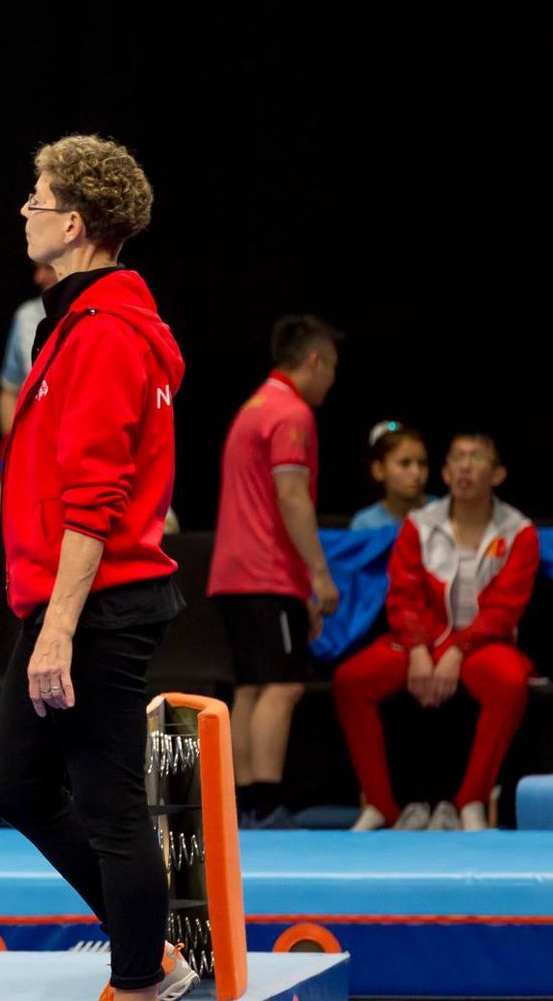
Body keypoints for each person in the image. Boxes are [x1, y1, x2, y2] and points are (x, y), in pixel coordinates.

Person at [0, 135, 194, 1001]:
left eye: (35, 200)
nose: (23, 212)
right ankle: (153, 953)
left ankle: (142, 979)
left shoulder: (105, 332)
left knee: (108, 806)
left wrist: (59, 631)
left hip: (97, 606)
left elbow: (95, 498)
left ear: (72, 223)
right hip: (71, 597)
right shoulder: (83, 321)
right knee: (17, 788)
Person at [336, 434, 539, 832]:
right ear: (445, 472)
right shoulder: (419, 525)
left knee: (511, 681)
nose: (465, 466)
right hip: (423, 641)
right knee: (351, 680)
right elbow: (404, 594)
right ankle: (380, 803)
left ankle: (472, 800)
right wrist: (416, 649)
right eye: (457, 458)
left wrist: (458, 649)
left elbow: (504, 608)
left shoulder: (519, 532)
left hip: (482, 644)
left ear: (497, 474)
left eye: (476, 458)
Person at [207, 315, 343, 828]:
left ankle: (241, 804)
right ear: (314, 360)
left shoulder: (255, 405)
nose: (331, 379)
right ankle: (265, 803)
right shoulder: (292, 413)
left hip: (233, 571)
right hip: (266, 570)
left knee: (252, 687)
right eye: (330, 367)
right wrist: (320, 576)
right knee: (280, 688)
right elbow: (292, 498)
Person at [0, 264, 57, 438]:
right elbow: (9, 389)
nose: (38, 278)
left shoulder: (96, 316)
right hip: (37, 446)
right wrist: (13, 447)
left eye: (48, 268)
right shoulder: (27, 316)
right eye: (37, 268)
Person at [349, 422, 435, 531]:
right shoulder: (365, 524)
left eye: (422, 463)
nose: (416, 473)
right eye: (405, 463)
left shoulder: (444, 512)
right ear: (378, 470)